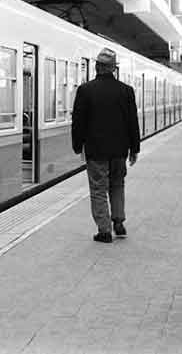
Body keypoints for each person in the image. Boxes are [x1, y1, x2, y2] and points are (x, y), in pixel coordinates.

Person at [72, 48, 140, 243]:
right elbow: (132, 122)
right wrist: (134, 148)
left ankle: (104, 231)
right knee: (117, 184)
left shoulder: (85, 90)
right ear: (113, 69)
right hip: (120, 150)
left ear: (96, 67)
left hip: (96, 150)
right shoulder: (126, 91)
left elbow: (79, 122)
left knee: (98, 189)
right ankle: (118, 222)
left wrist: (78, 145)